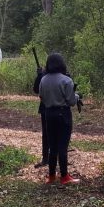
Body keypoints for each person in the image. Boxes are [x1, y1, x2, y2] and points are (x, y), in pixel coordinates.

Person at [38, 53, 80, 186]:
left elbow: (41, 97)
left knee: (52, 146)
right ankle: (64, 176)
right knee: (63, 146)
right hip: (63, 115)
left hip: (48, 114)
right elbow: (72, 101)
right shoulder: (66, 80)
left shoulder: (43, 80)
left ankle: (51, 176)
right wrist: (77, 96)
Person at [33, 66, 49, 168]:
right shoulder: (43, 77)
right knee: (46, 134)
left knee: (49, 134)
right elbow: (36, 89)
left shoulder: (45, 77)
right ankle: (46, 158)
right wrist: (39, 76)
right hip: (46, 109)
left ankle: (54, 157)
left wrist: (40, 76)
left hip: (48, 109)